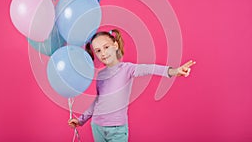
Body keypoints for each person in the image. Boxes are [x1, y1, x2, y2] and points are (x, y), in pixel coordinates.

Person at [68, 29, 196, 141]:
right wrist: (81, 120)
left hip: (118, 129)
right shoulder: (100, 75)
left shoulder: (127, 69)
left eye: (106, 47)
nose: (103, 53)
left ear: (115, 45)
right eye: (98, 51)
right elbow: (98, 101)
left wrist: (174, 71)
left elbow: (149, 68)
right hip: (97, 126)